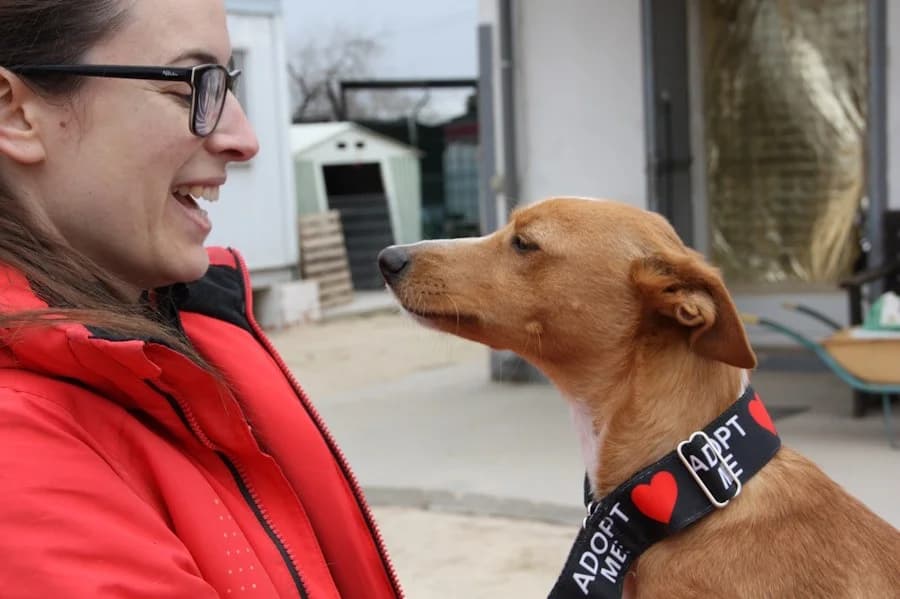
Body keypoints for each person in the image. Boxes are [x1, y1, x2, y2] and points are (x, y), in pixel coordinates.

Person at [0, 1, 402, 597]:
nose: (245, 139)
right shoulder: (20, 449)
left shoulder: (168, 334)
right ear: (15, 114)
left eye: (229, 84)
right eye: (193, 85)